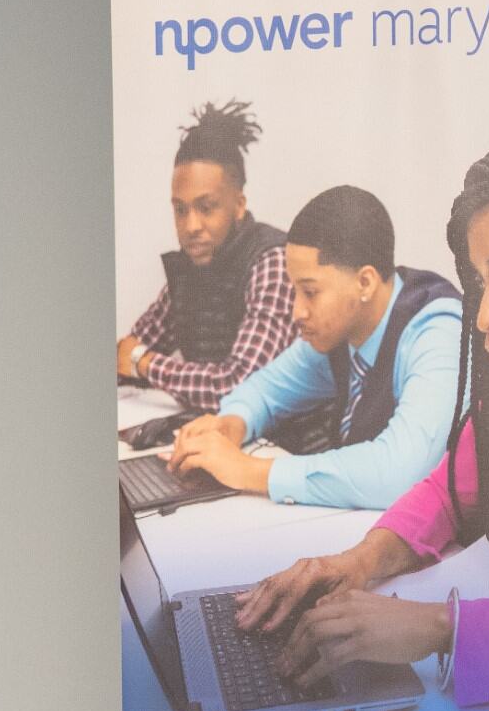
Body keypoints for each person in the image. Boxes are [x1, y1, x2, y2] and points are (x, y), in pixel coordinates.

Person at [236, 110, 489, 707]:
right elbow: (451, 492)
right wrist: (359, 562)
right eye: (482, 285)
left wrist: (441, 627)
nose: (482, 317)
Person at [168, 184, 461, 511]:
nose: (297, 312)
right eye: (294, 290)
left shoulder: (438, 330)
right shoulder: (341, 332)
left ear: (364, 282)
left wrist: (249, 471)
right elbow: (265, 390)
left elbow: (401, 471)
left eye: (310, 292)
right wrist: (231, 424)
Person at [118, 100, 293, 411]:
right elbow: (128, 351)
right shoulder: (190, 267)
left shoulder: (272, 262)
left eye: (206, 207)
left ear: (239, 204)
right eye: (180, 210)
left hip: (289, 444)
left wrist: (143, 363)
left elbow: (238, 385)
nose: (191, 226)